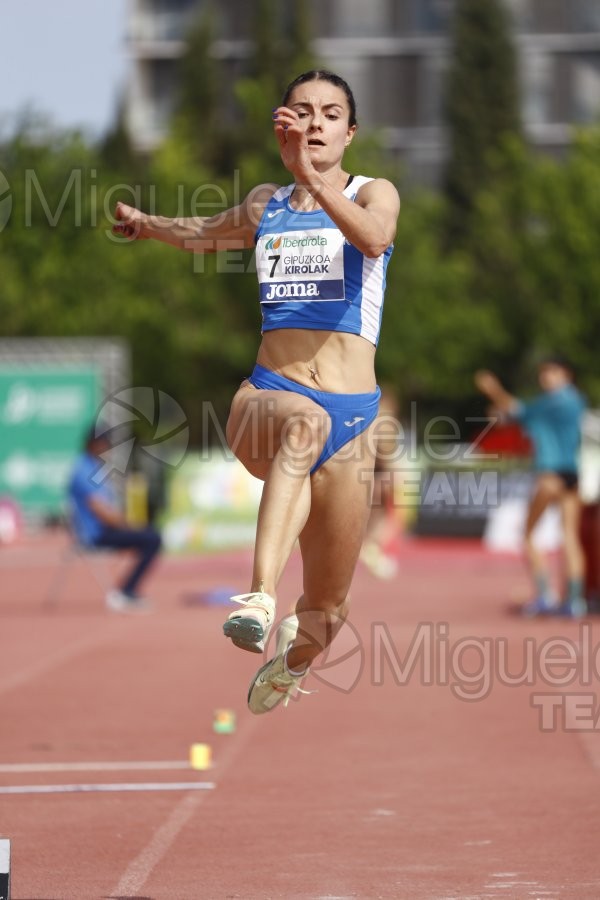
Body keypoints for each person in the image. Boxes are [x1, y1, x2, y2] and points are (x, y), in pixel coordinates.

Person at [113, 69, 400, 712]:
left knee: (329, 609)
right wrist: (146, 224)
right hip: (268, 397)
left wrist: (313, 175)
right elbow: (205, 233)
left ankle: (292, 661)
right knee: (303, 425)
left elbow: (375, 239)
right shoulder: (266, 204)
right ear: (284, 123)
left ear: (349, 133)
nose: (316, 123)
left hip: (354, 416)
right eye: (304, 112)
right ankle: (259, 596)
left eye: (330, 114)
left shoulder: (374, 192)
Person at [475, 357, 587, 617]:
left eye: (552, 372)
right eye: (544, 373)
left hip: (550, 474)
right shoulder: (575, 401)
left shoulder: (554, 401)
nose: (546, 377)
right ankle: (573, 600)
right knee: (569, 536)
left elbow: (516, 409)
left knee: (527, 534)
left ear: (566, 375)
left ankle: (545, 596)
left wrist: (493, 388)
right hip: (572, 474)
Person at [68, 426, 162, 612]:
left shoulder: (92, 466)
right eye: (106, 443)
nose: (109, 448)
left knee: (150, 534)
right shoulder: (83, 469)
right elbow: (99, 510)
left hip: (104, 529)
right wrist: (128, 525)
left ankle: (127, 591)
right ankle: (125, 592)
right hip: (95, 535)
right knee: (152, 538)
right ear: (95, 444)